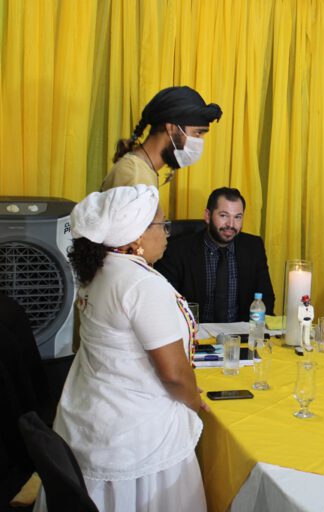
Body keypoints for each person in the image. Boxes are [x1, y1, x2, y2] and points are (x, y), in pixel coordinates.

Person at [45, 185, 207, 511]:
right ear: (135, 236)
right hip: (135, 438)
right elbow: (174, 375)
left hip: (93, 420)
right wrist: (195, 402)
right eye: (162, 224)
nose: (167, 234)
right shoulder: (143, 285)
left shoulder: (98, 272)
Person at [155, 187, 275, 322]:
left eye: (237, 217)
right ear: (207, 216)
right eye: (223, 215)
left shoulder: (253, 247)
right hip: (195, 336)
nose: (231, 224)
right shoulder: (178, 250)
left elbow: (266, 299)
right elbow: (165, 302)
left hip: (241, 337)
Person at [101, 86, 222, 190]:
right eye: (197, 133)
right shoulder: (134, 175)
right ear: (171, 128)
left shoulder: (144, 170)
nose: (199, 142)